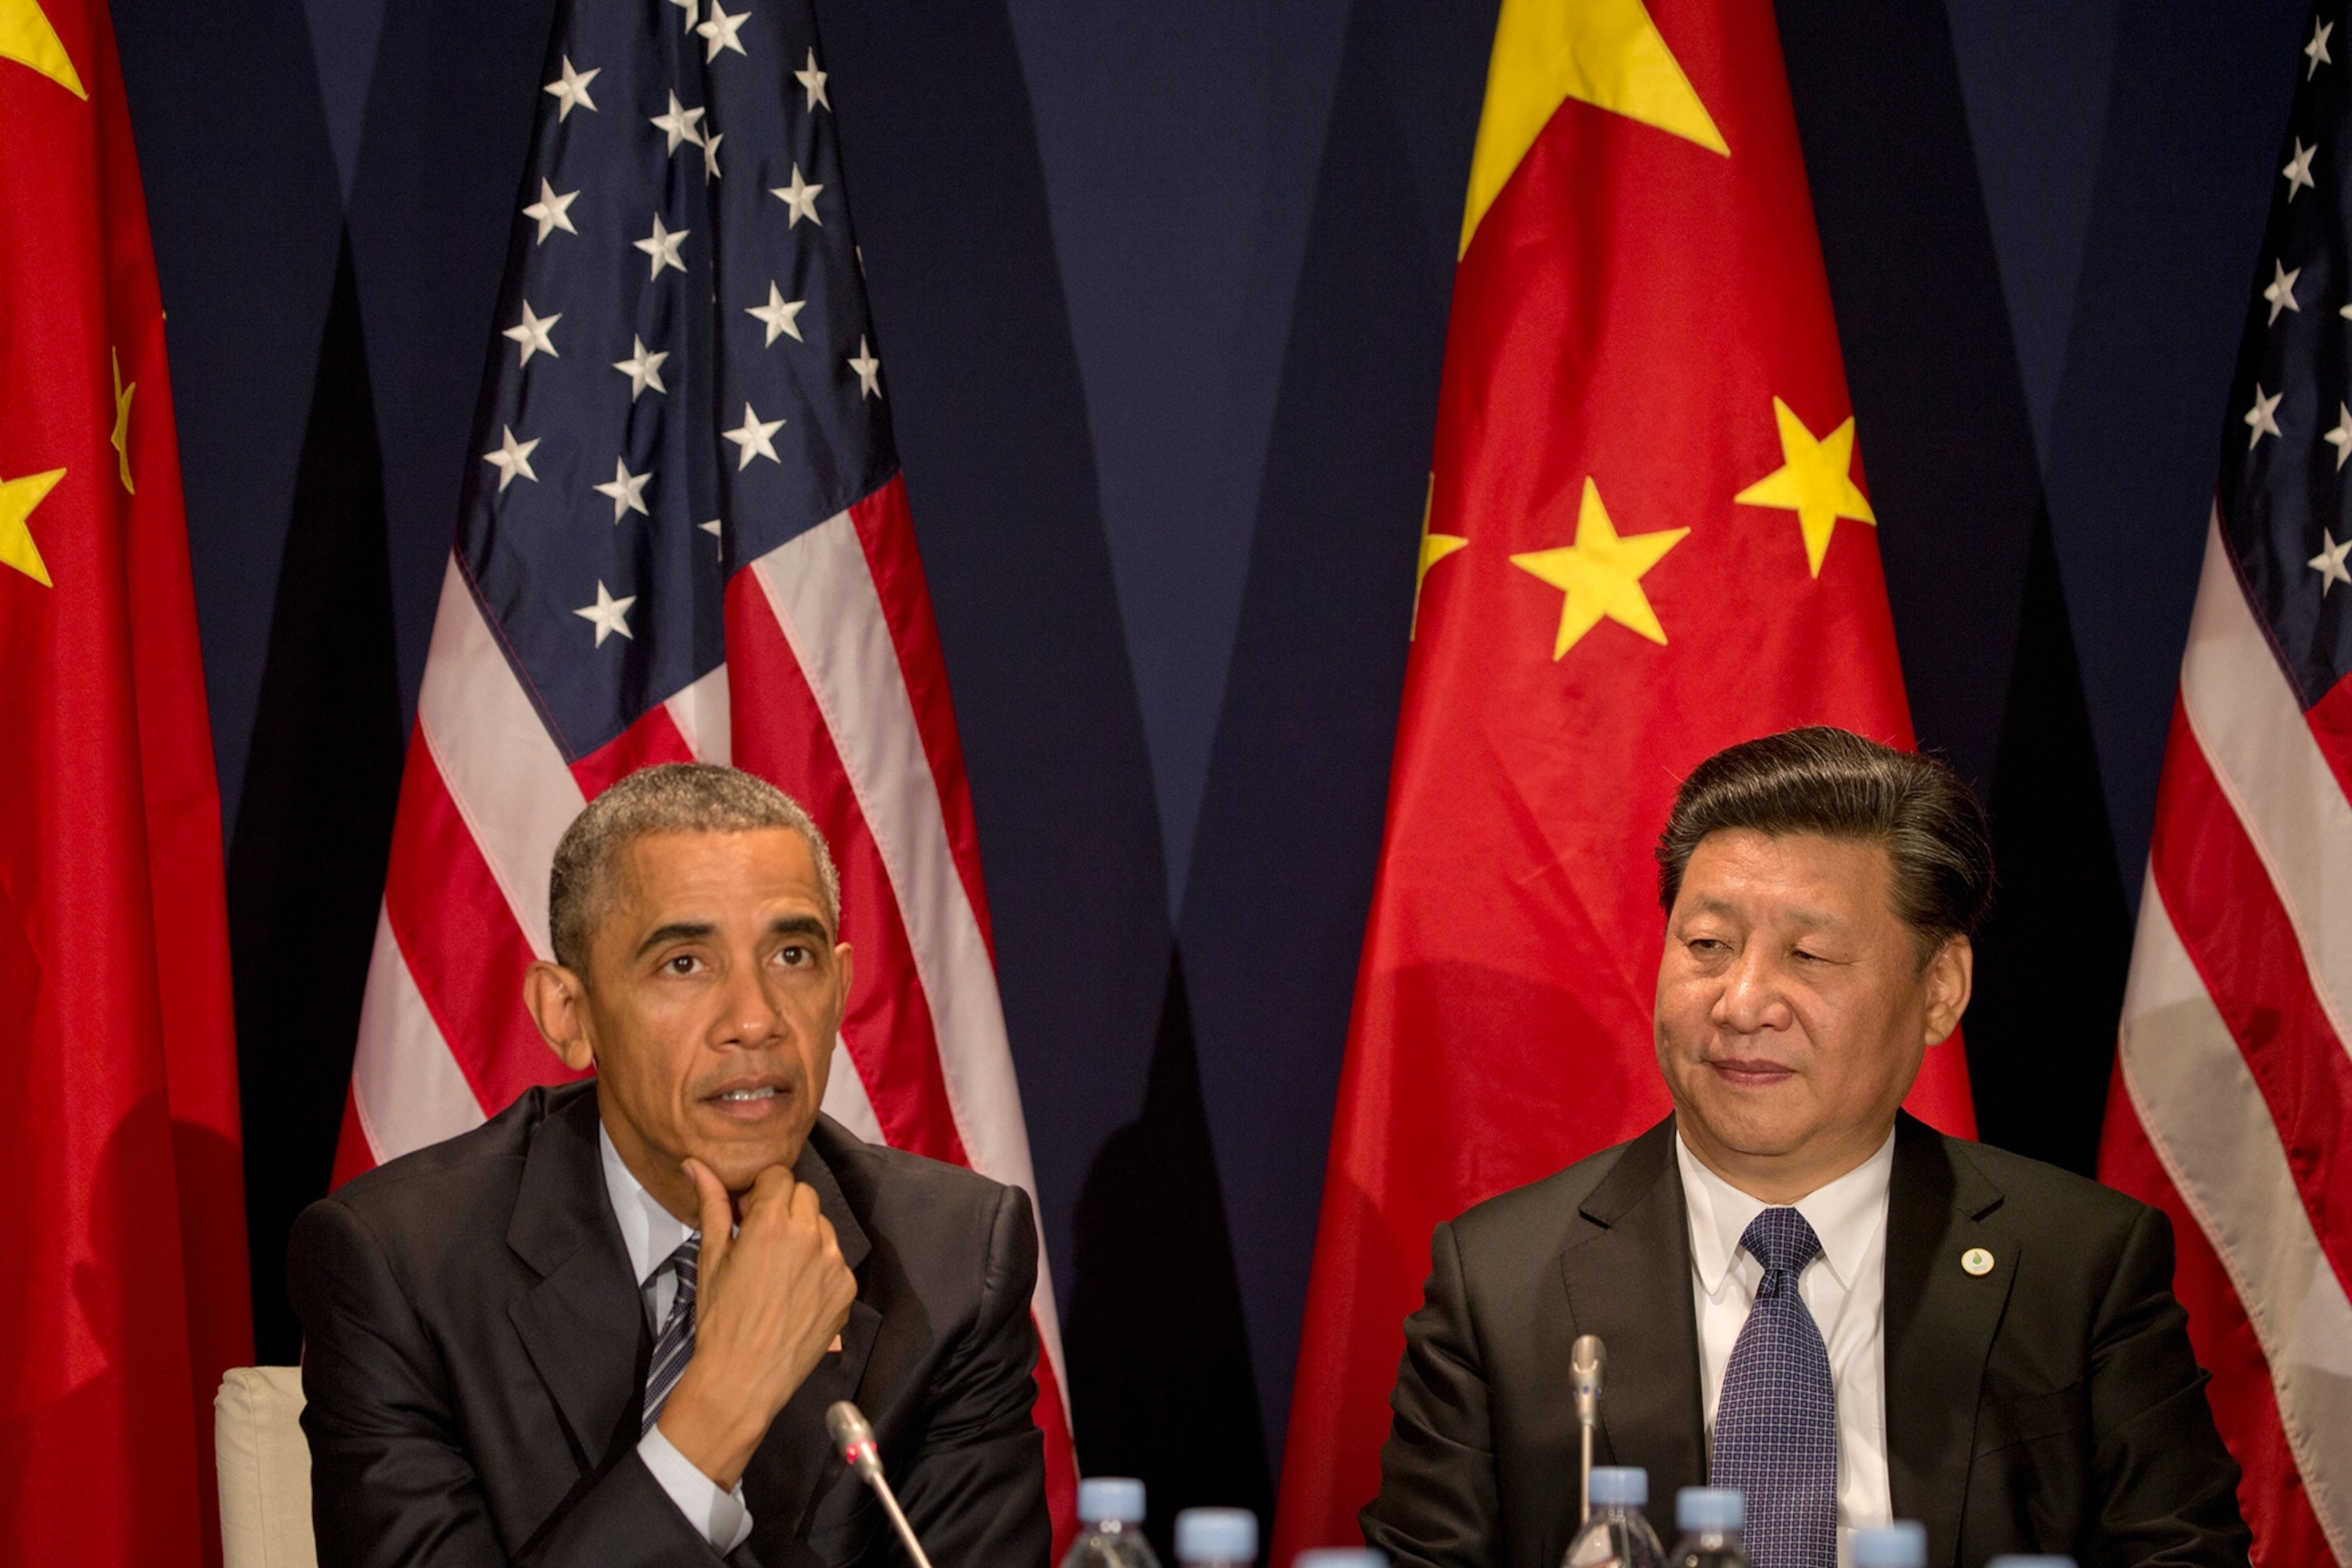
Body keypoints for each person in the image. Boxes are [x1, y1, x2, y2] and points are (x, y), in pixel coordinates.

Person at [1361, 727, 2249, 1568]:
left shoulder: (2079, 1265)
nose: (1743, 1001)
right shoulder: (1502, 1279)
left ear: (1940, 988)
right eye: (1707, 945)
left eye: (1811, 954)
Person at [289, 763, 1051, 1566]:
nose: (756, 1019)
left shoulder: (956, 1258)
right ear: (568, 1014)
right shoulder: (400, 1266)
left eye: (793, 954)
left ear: (842, 989)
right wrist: (717, 1410)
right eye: (684, 962)